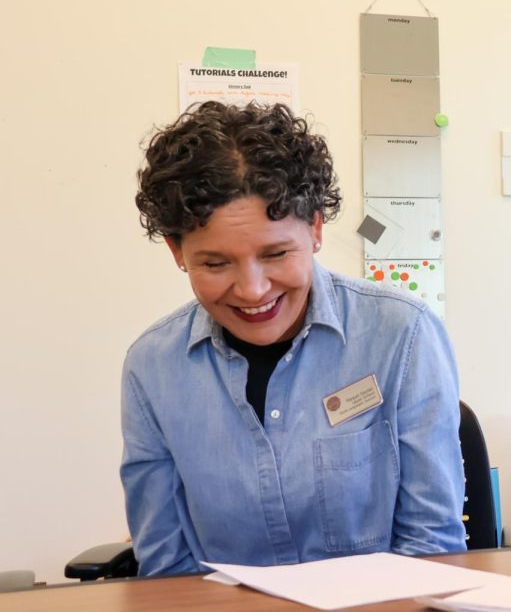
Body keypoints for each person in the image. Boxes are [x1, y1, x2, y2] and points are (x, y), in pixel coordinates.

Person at [122, 101, 466, 576]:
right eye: (215, 263)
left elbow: (433, 546)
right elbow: (165, 570)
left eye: (277, 253)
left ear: (316, 228)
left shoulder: (401, 334)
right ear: (178, 252)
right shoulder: (152, 368)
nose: (253, 290)